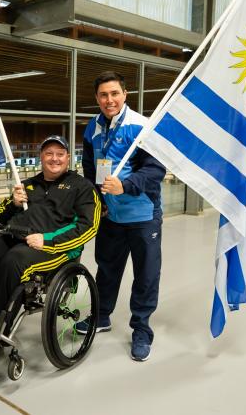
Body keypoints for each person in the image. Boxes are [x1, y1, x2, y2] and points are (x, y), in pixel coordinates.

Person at [0, 135, 100, 362]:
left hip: (54, 249)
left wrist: (48, 240)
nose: (54, 159)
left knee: (13, 262)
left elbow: (88, 227)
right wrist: (12, 202)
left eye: (60, 154)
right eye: (49, 154)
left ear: (68, 158)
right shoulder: (29, 184)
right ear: (41, 157)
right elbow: (2, 215)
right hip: (16, 236)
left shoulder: (82, 187)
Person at [80, 71, 166, 362]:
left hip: (142, 215)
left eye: (114, 93)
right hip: (110, 215)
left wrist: (125, 186)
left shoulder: (141, 127)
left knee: (145, 274)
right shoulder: (92, 127)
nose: (109, 100)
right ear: (97, 98)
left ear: (125, 95)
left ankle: (141, 329)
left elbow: (155, 171)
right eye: (103, 95)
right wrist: (97, 198)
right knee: (107, 268)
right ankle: (101, 316)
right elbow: (90, 168)